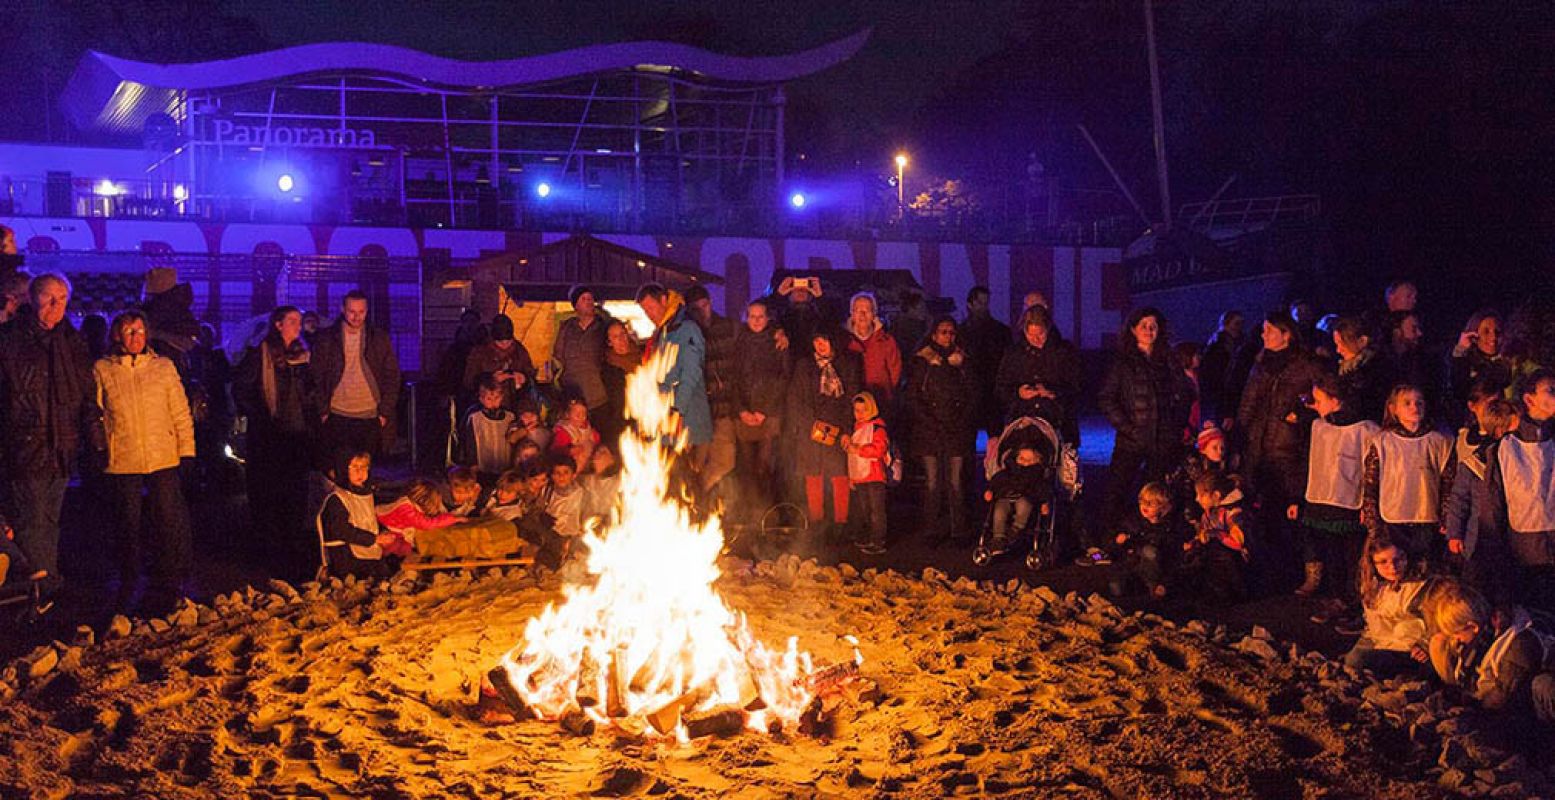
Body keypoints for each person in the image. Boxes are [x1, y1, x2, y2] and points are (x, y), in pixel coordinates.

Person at [94, 311, 197, 614]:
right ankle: (128, 576)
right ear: (117, 335)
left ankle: (170, 577)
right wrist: (101, 449)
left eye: (139, 330)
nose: (135, 337)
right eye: (128, 331)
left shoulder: (163, 367)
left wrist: (186, 451)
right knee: (127, 522)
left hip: (161, 455)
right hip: (123, 459)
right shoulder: (103, 369)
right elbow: (98, 414)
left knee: (168, 518)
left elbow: (179, 411)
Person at [0, 273, 96, 592]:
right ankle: (37, 590)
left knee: (50, 521)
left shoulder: (71, 341)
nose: (56, 305)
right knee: (31, 521)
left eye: (63, 298)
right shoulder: (10, 341)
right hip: (27, 446)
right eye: (49, 297)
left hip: (61, 448)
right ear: (32, 298)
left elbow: (84, 391)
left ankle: (46, 585)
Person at [1236, 311, 1326, 583]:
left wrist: (1303, 417)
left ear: (1286, 334)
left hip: (1289, 450)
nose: (1263, 335)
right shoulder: (1261, 364)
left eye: (1269, 330)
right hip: (1258, 448)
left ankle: (1306, 570)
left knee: (1292, 514)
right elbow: (1248, 403)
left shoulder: (1307, 366)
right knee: (1265, 514)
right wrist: (1240, 437)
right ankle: (1273, 572)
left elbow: (1326, 402)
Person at [233, 306, 319, 572]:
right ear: (278, 324)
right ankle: (269, 551)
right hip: (270, 437)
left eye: (299, 321)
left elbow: (310, 393)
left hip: (297, 436)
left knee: (295, 495)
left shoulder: (302, 356)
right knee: (268, 495)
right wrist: (261, 415)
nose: (298, 325)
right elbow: (242, 389)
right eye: (292, 321)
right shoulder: (261, 354)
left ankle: (292, 547)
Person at [1097, 307, 1190, 539]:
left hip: (1162, 440)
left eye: (1153, 326)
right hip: (1132, 440)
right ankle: (1110, 537)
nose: (1149, 330)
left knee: (1155, 491)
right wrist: (1128, 428)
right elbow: (1107, 398)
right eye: (1144, 326)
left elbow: (1185, 394)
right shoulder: (1123, 362)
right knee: (1118, 489)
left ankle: (1150, 538)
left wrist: (1175, 426)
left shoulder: (1168, 360)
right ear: (1133, 330)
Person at [1297, 374, 1380, 612]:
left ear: (1336, 400)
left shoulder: (1365, 430)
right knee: (1331, 552)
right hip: (1321, 500)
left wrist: (1368, 502)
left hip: (1349, 502)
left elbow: (1372, 469)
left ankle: (1353, 601)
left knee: (1351, 555)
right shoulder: (1319, 426)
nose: (1315, 405)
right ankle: (1336, 598)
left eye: (1319, 400)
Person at [1428, 581, 1555, 726]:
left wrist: (1472, 706)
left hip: (1532, 703)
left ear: (1472, 627)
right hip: (1517, 702)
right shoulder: (1482, 641)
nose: (1456, 639)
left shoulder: (1518, 643)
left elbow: (1503, 695)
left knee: (1543, 684)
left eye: (1456, 633)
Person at [1486, 369, 1555, 609]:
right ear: (1529, 399)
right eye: (1551, 391)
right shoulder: (1505, 448)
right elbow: (1493, 509)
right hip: (1524, 552)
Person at [1361, 385, 1453, 561]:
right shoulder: (1382, 441)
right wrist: (1373, 525)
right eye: (1407, 403)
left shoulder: (1439, 441)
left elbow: (1448, 483)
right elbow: (1371, 484)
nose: (1414, 407)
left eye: (1419, 403)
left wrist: (1446, 517)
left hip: (1426, 518)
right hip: (1392, 519)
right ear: (1393, 409)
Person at [1445, 390, 1519, 604]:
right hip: (1478, 537)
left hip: (1509, 535)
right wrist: (1454, 533)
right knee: (1477, 585)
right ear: (1498, 432)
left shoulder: (1517, 463)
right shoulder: (1475, 463)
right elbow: (1459, 499)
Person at [905, 316, 975, 543]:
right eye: (943, 332)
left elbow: (974, 394)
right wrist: (929, 421)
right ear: (934, 335)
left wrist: (961, 420)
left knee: (955, 482)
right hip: (929, 431)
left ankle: (959, 530)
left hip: (956, 430)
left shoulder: (964, 361)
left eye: (951, 332)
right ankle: (931, 529)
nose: (947, 336)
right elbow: (914, 396)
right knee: (932, 482)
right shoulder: (922, 360)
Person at [311, 290, 401, 460]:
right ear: (343, 310)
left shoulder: (379, 338)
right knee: (339, 467)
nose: (356, 317)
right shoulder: (327, 338)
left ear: (367, 311)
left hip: (371, 414)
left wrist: (384, 412)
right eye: (352, 311)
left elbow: (392, 376)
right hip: (337, 414)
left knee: (365, 470)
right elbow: (316, 377)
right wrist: (323, 411)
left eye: (361, 312)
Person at [784, 331, 859, 533]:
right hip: (811, 428)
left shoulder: (846, 365)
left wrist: (846, 429)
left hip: (836, 428)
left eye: (824, 340)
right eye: (816, 341)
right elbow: (795, 397)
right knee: (813, 474)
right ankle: (816, 522)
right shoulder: (804, 365)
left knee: (839, 475)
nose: (820, 345)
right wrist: (809, 425)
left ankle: (840, 523)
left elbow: (851, 398)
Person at [638, 283, 713, 462]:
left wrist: (677, 409)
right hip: (667, 421)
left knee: (688, 480)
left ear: (663, 300)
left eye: (650, 307)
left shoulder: (686, 329)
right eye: (644, 310)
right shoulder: (663, 332)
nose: (649, 314)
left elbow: (691, 374)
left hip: (687, 421)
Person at [1343, 535, 1431, 678]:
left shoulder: (1420, 586)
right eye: (1383, 562)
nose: (1392, 567)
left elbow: (1437, 623)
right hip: (1381, 641)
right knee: (1353, 661)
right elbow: (1373, 624)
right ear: (1373, 563)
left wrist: (1424, 645)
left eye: (1398, 560)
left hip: (1411, 647)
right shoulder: (1372, 585)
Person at [994, 304, 1082, 443]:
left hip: (1059, 424)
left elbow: (1077, 387)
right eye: (1031, 335)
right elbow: (1000, 388)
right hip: (1022, 425)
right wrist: (1018, 393)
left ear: (1048, 329)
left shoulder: (1064, 352)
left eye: (1040, 334)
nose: (1036, 339)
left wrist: (1052, 392)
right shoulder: (1014, 354)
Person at [733, 300, 788, 516]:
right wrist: (742, 410)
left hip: (770, 414)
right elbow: (734, 378)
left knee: (766, 466)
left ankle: (768, 512)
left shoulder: (778, 343)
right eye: (752, 316)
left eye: (760, 316)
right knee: (747, 468)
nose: (756, 321)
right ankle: (751, 513)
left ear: (768, 318)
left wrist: (764, 410)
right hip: (744, 414)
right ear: (746, 318)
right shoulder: (739, 342)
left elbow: (783, 378)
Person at [684, 285, 740, 494]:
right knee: (694, 463)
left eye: (705, 305)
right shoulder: (686, 332)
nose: (702, 311)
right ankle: (691, 501)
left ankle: (698, 496)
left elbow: (755, 334)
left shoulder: (729, 327)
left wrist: (776, 332)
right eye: (696, 308)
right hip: (698, 412)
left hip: (723, 408)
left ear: (710, 303)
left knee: (725, 460)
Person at [315, 449, 396, 580]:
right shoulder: (338, 498)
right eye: (354, 467)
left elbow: (368, 519)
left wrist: (383, 532)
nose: (361, 472)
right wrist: (374, 539)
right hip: (345, 556)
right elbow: (339, 530)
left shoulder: (366, 493)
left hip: (366, 549)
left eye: (364, 467)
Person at [1176, 473, 1251, 606]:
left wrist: (1216, 535)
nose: (1197, 499)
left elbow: (1240, 542)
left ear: (1216, 495)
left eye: (1201, 495)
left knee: (1214, 554)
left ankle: (1230, 593)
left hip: (1240, 563)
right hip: (1219, 557)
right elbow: (1204, 533)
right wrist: (1195, 541)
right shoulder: (1209, 513)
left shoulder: (1234, 512)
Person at [1109, 482, 1185, 599]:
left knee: (1149, 551)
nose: (1144, 506)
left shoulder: (1169, 530)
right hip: (1133, 566)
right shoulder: (1133, 522)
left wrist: (1165, 583)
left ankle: (1152, 589)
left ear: (1163, 507)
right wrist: (1118, 542)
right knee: (1116, 588)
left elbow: (1174, 559)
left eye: (1150, 504)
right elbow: (1114, 550)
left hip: (1156, 572)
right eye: (1142, 502)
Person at [554, 285, 611, 424]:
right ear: (576, 306)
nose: (589, 301)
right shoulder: (567, 328)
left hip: (598, 396)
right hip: (572, 395)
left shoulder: (603, 327)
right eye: (584, 299)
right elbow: (558, 355)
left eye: (590, 298)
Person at [982, 445, 1051, 557]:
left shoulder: (1036, 474)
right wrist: (990, 490)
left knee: (1024, 506)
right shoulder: (1008, 471)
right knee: (999, 510)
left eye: (1029, 460)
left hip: (1025, 497)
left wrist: (1044, 502)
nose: (1025, 463)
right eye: (1022, 459)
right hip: (1006, 496)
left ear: (1037, 461)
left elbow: (1043, 489)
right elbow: (997, 480)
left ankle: (1015, 529)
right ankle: (998, 537)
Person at [844, 391, 890, 555]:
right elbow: (851, 456)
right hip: (860, 476)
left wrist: (859, 449)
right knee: (865, 509)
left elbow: (879, 449)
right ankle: (869, 537)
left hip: (875, 475)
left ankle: (878, 541)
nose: (860, 414)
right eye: (856, 410)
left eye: (863, 410)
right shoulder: (855, 428)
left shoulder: (877, 428)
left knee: (876, 510)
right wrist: (851, 477)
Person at [961, 286, 1012, 436]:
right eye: (980, 303)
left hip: (992, 392)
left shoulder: (1000, 332)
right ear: (970, 304)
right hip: (970, 392)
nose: (983, 307)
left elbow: (1008, 362)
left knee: (995, 435)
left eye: (985, 303)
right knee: (967, 437)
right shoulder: (961, 332)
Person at [1447, 309, 1511, 426]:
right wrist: (1461, 350)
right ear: (1474, 335)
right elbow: (1458, 388)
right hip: (1471, 426)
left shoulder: (1510, 361)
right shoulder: (1464, 362)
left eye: (1497, 331)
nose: (1493, 337)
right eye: (1486, 332)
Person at [463, 313, 534, 412]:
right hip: (486, 408)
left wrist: (524, 378)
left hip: (514, 406)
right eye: (501, 342)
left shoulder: (519, 350)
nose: (505, 345)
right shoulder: (480, 352)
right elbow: (469, 381)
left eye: (508, 341)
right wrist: (491, 379)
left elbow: (530, 373)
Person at [455, 375, 519, 481]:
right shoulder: (475, 417)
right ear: (481, 399)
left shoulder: (510, 417)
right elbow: (469, 443)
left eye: (496, 398)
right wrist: (472, 464)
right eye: (489, 399)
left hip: (504, 465)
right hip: (482, 467)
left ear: (502, 397)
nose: (493, 401)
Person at [375, 478, 459, 558]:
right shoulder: (406, 510)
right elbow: (426, 524)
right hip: (383, 529)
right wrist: (453, 519)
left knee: (406, 546)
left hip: (394, 529)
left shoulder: (408, 505)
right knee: (398, 546)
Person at [844, 293, 902, 409]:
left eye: (867, 310)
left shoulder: (887, 341)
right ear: (852, 313)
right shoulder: (843, 340)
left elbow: (895, 372)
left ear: (874, 314)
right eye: (858, 310)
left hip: (881, 402)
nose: (862, 314)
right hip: (851, 403)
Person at [1331, 316, 1389, 422]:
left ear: (1362, 341)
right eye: (1336, 344)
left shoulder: (1376, 370)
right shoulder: (1346, 368)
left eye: (1342, 344)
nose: (1338, 350)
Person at [599, 319, 641, 447]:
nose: (621, 339)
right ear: (609, 342)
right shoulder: (608, 368)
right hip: (623, 426)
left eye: (623, 334)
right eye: (616, 337)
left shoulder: (642, 356)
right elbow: (617, 402)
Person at [1201, 311, 1246, 422]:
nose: (1239, 327)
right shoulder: (1219, 346)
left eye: (1241, 323)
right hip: (1220, 395)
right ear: (1226, 323)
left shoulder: (1237, 343)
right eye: (1236, 323)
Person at [777, 276, 827, 360]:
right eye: (796, 290)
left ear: (809, 294)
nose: (800, 292)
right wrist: (779, 295)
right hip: (787, 358)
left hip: (814, 358)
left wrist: (819, 297)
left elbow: (830, 320)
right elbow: (768, 316)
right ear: (790, 293)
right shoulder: (782, 312)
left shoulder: (818, 313)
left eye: (804, 290)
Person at [550, 396, 600, 472]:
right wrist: (570, 450)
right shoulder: (564, 431)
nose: (580, 417)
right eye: (576, 413)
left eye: (583, 413)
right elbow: (555, 450)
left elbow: (596, 441)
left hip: (589, 465)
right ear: (567, 415)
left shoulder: (589, 429)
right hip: (572, 468)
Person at [579, 444, 622, 529]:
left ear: (612, 459)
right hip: (585, 531)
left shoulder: (619, 484)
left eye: (603, 452)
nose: (597, 454)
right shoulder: (585, 481)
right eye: (596, 451)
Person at [544, 457, 585, 541]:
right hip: (549, 537)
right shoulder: (547, 491)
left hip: (572, 538)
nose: (561, 476)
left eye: (566, 472)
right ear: (552, 476)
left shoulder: (581, 494)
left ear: (573, 475)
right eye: (557, 473)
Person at [891, 289, 930, 368]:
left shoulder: (918, 324)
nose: (924, 311)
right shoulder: (906, 326)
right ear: (910, 309)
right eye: (920, 308)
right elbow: (912, 351)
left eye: (924, 308)